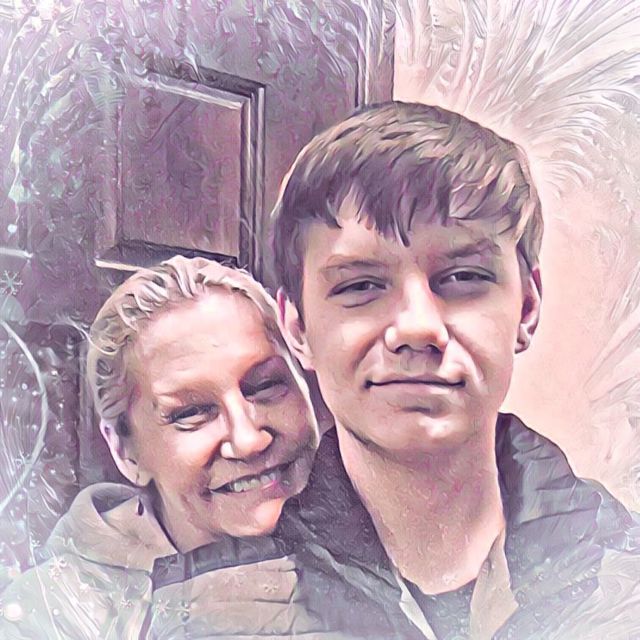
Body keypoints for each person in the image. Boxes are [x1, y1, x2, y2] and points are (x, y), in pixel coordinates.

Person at [272, 101, 640, 639]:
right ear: (298, 327)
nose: (418, 327)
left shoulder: (625, 573)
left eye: (464, 276)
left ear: (527, 308)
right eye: (360, 285)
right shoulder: (212, 609)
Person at [0, 257, 329, 638]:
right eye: (191, 413)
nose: (248, 439)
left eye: (267, 385)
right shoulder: (52, 615)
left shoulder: (373, 539)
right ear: (125, 452)